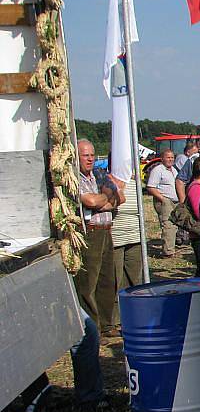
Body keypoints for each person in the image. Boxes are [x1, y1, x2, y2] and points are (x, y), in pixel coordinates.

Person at [75, 139, 122, 334]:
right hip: (90, 232)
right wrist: (105, 198)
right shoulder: (75, 178)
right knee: (89, 282)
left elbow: (119, 197)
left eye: (92, 155)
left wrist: (103, 200)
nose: (90, 159)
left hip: (106, 229)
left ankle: (107, 323)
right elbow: (91, 200)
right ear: (77, 157)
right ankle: (92, 327)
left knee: (107, 278)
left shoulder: (99, 174)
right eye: (86, 155)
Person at [111, 173, 143, 327]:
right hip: (115, 238)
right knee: (115, 279)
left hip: (135, 237)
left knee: (134, 278)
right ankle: (115, 319)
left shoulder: (135, 183)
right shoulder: (107, 181)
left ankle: (135, 313)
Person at [146, 149, 179, 257]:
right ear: (162, 158)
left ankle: (171, 248)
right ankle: (168, 252)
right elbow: (151, 187)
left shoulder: (174, 170)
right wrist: (163, 199)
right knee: (168, 225)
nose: (170, 160)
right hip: (165, 201)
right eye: (168, 157)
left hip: (174, 201)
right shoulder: (157, 170)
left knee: (174, 226)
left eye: (172, 157)